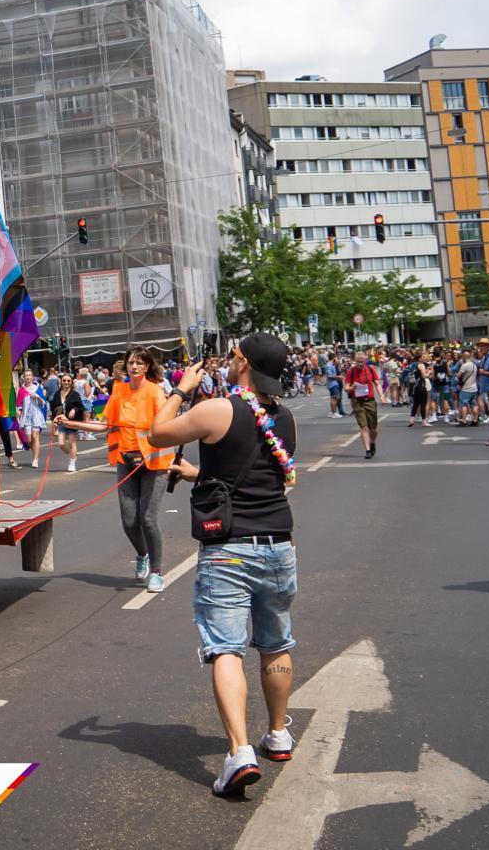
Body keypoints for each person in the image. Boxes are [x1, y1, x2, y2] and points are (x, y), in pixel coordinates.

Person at [149, 333, 298, 798]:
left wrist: (181, 389)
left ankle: (239, 752)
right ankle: (277, 734)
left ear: (244, 363)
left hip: (229, 549)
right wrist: (200, 474)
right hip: (279, 544)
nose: (230, 363)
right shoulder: (284, 417)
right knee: (276, 642)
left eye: (234, 356)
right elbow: (265, 475)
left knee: (226, 650)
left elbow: (157, 433)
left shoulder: (218, 409)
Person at [104, 347, 173, 593]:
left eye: (140, 363)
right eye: (131, 362)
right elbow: (105, 425)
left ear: (147, 367)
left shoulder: (155, 392)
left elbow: (166, 426)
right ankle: (142, 554)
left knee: (148, 519)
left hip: (153, 463)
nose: (134, 367)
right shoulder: (118, 391)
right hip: (126, 461)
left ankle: (156, 573)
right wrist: (69, 423)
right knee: (129, 521)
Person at [343, 351, 380, 459]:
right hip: (358, 402)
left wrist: (382, 396)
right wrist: (351, 388)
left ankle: (372, 442)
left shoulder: (370, 369)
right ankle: (367, 450)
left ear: (365, 361)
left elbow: (377, 383)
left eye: (362, 362)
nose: (360, 364)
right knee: (363, 426)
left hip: (370, 401)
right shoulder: (351, 372)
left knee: (373, 428)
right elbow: (346, 388)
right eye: (358, 362)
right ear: (355, 361)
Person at [455, 349, 479, 425]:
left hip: (466, 388)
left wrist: (456, 375)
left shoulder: (464, 366)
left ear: (463, 357)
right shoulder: (474, 365)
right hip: (474, 388)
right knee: (474, 404)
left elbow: (458, 376)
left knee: (463, 404)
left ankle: (464, 420)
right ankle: (475, 420)